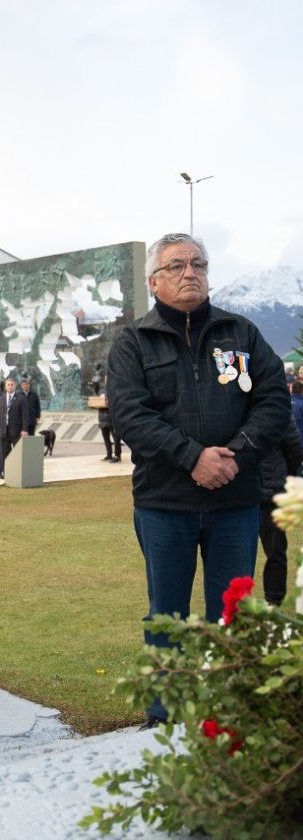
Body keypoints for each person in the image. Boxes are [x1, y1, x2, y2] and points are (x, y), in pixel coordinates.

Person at [107, 232, 290, 728]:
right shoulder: (133, 343)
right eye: (176, 266)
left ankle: (225, 711)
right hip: (164, 503)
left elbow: (274, 398)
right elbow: (130, 416)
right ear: (154, 280)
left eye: (198, 264)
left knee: (232, 612)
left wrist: (236, 454)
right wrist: (192, 458)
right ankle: (162, 715)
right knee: (165, 611)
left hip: (235, 502)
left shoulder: (242, 334)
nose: (190, 273)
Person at [258, 418, 303, 605]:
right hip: (265, 489)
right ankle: (273, 599)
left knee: (275, 550)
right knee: (275, 550)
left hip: (269, 491)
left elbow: (294, 448)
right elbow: (294, 449)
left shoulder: (277, 408)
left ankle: (274, 598)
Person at [0, 377, 27, 477]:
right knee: (4, 454)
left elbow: (24, 415)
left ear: (15, 386)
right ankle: (6, 473)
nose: (10, 387)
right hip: (3, 431)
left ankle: (18, 473)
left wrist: (24, 429)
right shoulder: (1, 399)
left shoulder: (21, 398)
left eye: (12, 385)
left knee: (17, 454)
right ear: (5, 386)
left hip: (16, 431)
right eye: (8, 385)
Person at [97, 392, 122, 463]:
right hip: (102, 421)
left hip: (112, 421)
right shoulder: (101, 394)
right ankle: (109, 455)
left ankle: (117, 455)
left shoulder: (114, 394)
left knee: (116, 439)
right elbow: (97, 405)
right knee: (106, 439)